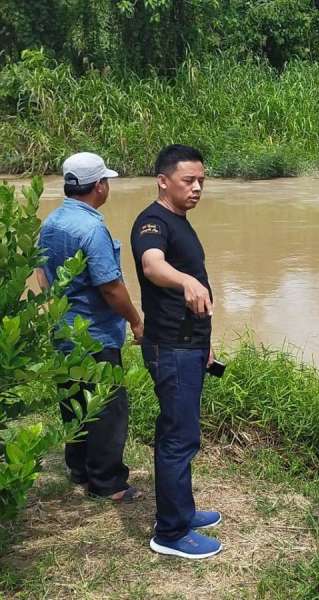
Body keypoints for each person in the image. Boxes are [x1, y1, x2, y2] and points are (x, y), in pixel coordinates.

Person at [131, 144, 222, 559]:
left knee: (181, 433)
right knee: (177, 439)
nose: (197, 187)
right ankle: (169, 533)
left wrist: (206, 341)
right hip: (171, 348)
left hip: (189, 345)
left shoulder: (179, 220)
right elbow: (152, 264)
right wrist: (185, 281)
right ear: (163, 180)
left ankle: (181, 511)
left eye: (201, 180)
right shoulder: (152, 222)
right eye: (189, 180)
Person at [38, 152, 143, 502]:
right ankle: (107, 483)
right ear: (99, 186)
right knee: (107, 407)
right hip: (95, 334)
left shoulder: (50, 222)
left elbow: (41, 274)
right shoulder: (92, 228)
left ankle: (79, 469)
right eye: (106, 181)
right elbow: (110, 287)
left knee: (74, 400)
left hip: (64, 332)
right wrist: (136, 320)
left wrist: (56, 311)